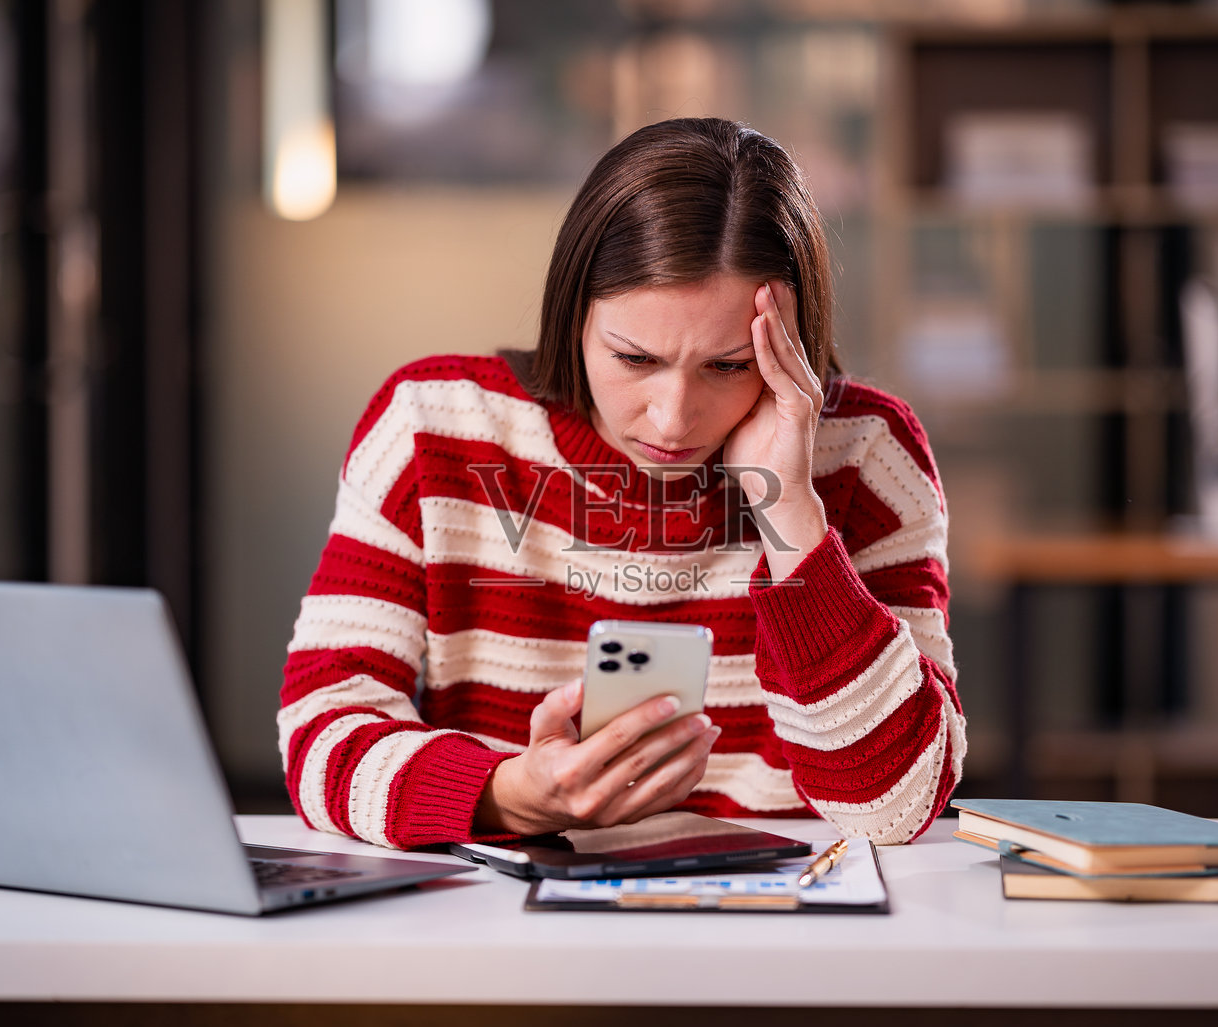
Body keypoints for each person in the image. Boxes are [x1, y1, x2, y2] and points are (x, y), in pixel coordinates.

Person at [277, 117, 964, 848]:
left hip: (782, 927)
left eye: (728, 366)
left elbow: (896, 806)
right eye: (635, 359)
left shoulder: (866, 456)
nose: (672, 419)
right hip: (505, 924)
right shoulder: (431, 427)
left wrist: (790, 508)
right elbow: (322, 732)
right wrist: (510, 795)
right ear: (574, 314)